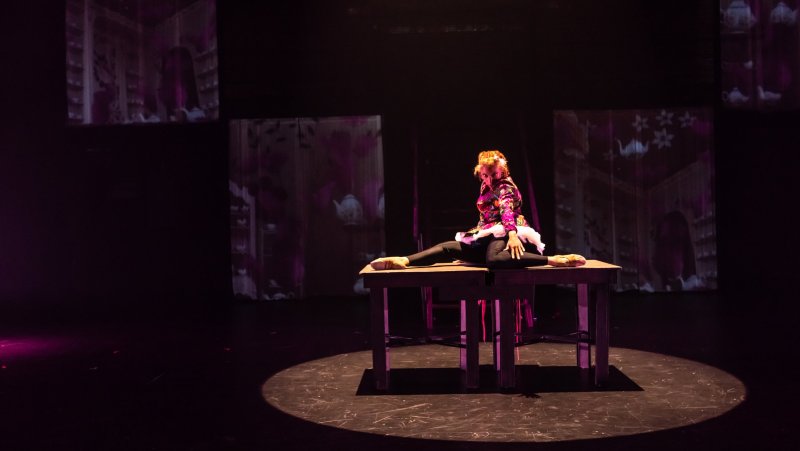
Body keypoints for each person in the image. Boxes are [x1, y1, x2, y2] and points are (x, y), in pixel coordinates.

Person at [370, 150, 586, 270]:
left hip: (507, 230)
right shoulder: (485, 185)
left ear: (502, 171)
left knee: (494, 260)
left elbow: (506, 209)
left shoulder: (505, 186)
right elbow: (486, 215)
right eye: (485, 175)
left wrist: (512, 235)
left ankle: (554, 260)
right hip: (490, 231)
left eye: (494, 174)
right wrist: (474, 243)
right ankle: (403, 260)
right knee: (448, 248)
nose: (490, 179)